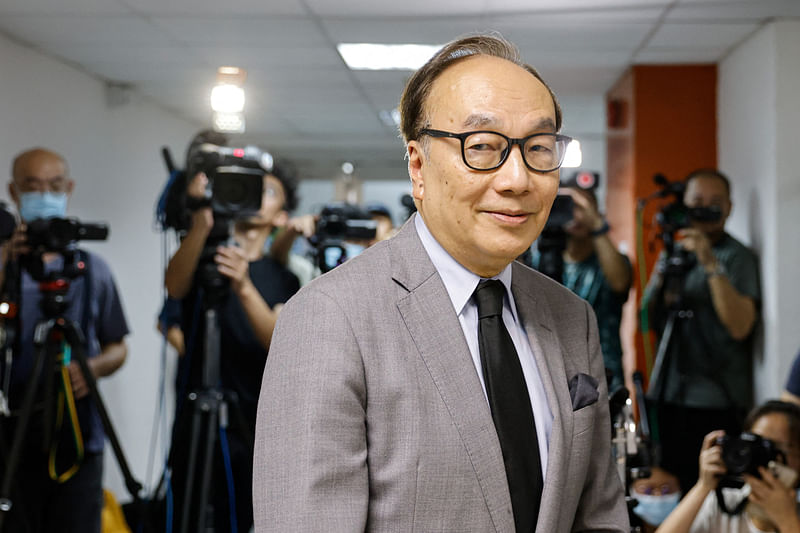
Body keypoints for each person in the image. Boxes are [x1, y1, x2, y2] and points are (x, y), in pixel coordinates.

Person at [254, 34, 628, 532]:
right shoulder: (330, 317)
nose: (517, 178)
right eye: (482, 148)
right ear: (418, 166)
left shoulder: (570, 315)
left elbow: (599, 513)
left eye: (538, 148)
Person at [164, 152, 300, 532]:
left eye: (268, 191)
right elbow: (174, 287)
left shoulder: (282, 276)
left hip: (252, 416)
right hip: (194, 409)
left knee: (241, 514)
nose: (255, 195)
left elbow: (278, 340)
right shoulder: (204, 254)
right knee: (186, 505)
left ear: (281, 215)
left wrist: (242, 283)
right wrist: (201, 224)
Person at [0, 148, 129, 533]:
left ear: (69, 188)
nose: (44, 194)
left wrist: (90, 369)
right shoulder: (6, 267)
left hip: (76, 439)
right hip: (11, 441)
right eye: (31, 186)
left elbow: (118, 347)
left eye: (54, 185)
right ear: (14, 191)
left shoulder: (92, 271)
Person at [644, 169, 761, 493]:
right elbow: (649, 319)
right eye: (697, 202)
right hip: (669, 394)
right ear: (684, 206)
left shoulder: (737, 257)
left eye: (715, 202)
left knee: (714, 493)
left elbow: (741, 327)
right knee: (669, 491)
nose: (705, 209)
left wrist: (709, 264)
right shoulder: (675, 251)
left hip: (717, 399)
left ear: (729, 208)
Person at [532, 178, 632, 392]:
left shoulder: (612, 260)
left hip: (603, 371)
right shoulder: (540, 257)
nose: (575, 215)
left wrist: (596, 224)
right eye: (568, 206)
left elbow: (620, 282)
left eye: (583, 208)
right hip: (550, 370)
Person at [656, 400, 800, 533]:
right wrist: (703, 486)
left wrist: (787, 521)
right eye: (758, 445)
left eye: (779, 448)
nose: (766, 458)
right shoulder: (722, 504)